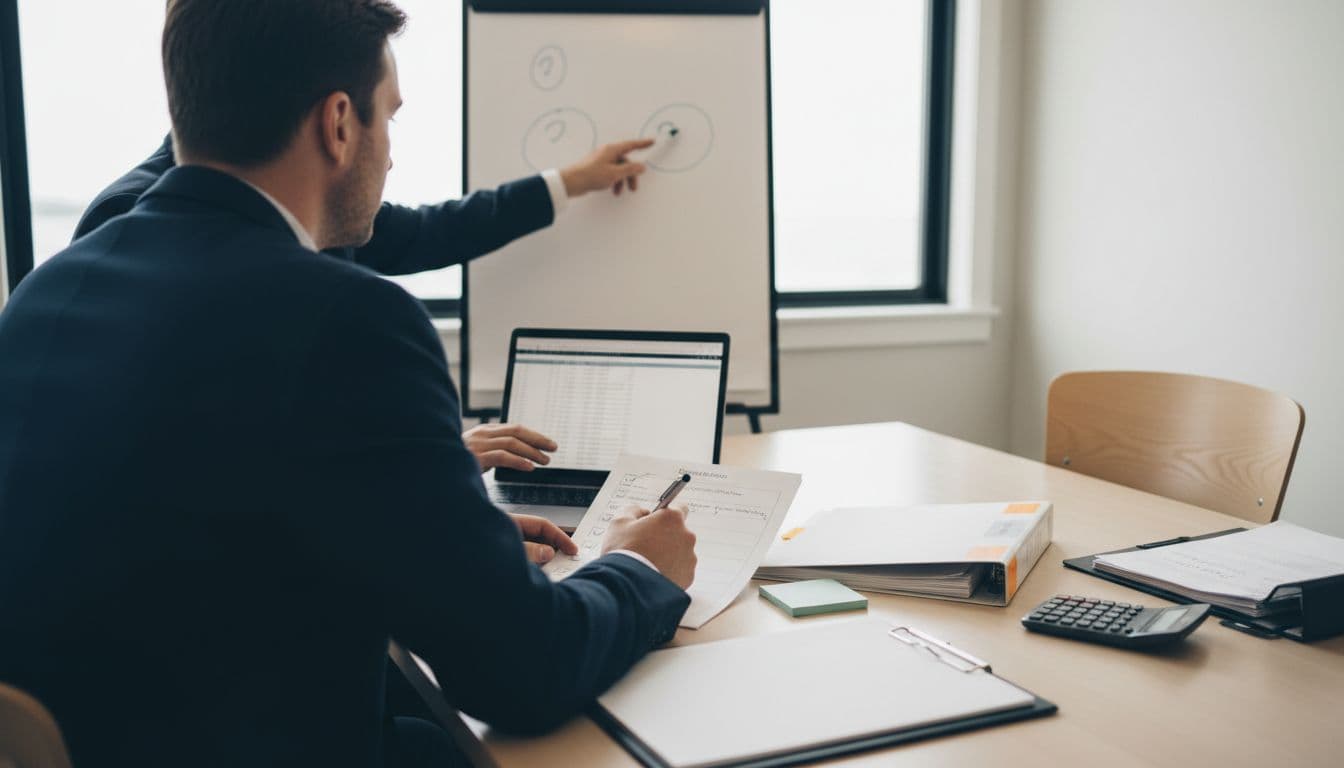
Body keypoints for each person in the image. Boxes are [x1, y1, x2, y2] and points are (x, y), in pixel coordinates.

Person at [0, 2, 698, 767]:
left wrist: (443, 531)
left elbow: (196, 521)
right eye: (388, 117)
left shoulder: (41, 294)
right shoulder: (349, 322)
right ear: (338, 124)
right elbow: (522, 673)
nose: (391, 156)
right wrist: (639, 567)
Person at [75, 114, 654, 481]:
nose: (389, 154)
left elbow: (432, 230)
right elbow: (209, 455)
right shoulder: (128, 223)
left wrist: (571, 181)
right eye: (384, 115)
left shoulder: (308, 204)